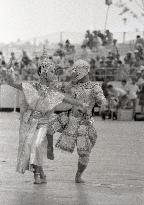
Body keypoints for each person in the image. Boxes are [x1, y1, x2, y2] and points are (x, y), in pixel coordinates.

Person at [6, 55, 87, 184]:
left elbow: (66, 98)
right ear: (44, 73)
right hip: (29, 122)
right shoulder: (31, 86)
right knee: (28, 147)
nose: (54, 74)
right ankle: (40, 173)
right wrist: (9, 69)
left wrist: (80, 103)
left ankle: (37, 174)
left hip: (43, 122)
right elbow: (11, 83)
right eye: (51, 72)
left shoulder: (52, 91)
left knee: (37, 146)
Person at [56, 59, 106, 183]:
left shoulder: (94, 86)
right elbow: (59, 89)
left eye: (78, 70)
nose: (76, 72)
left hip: (84, 123)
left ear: (85, 70)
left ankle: (78, 175)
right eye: (75, 70)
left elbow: (101, 99)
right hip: (68, 119)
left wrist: (103, 102)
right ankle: (37, 168)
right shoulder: (72, 85)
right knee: (44, 129)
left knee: (84, 153)